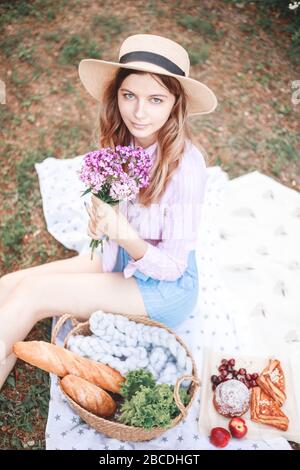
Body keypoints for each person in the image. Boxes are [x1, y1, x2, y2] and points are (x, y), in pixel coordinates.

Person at [0, 34, 217, 390]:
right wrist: (102, 221)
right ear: (116, 95)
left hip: (162, 287)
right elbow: (116, 213)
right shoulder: (125, 136)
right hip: (118, 257)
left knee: (35, 296)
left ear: (176, 103)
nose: (139, 112)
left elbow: (173, 266)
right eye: (129, 95)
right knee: (11, 283)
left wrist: (123, 233)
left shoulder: (187, 168)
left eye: (156, 99)